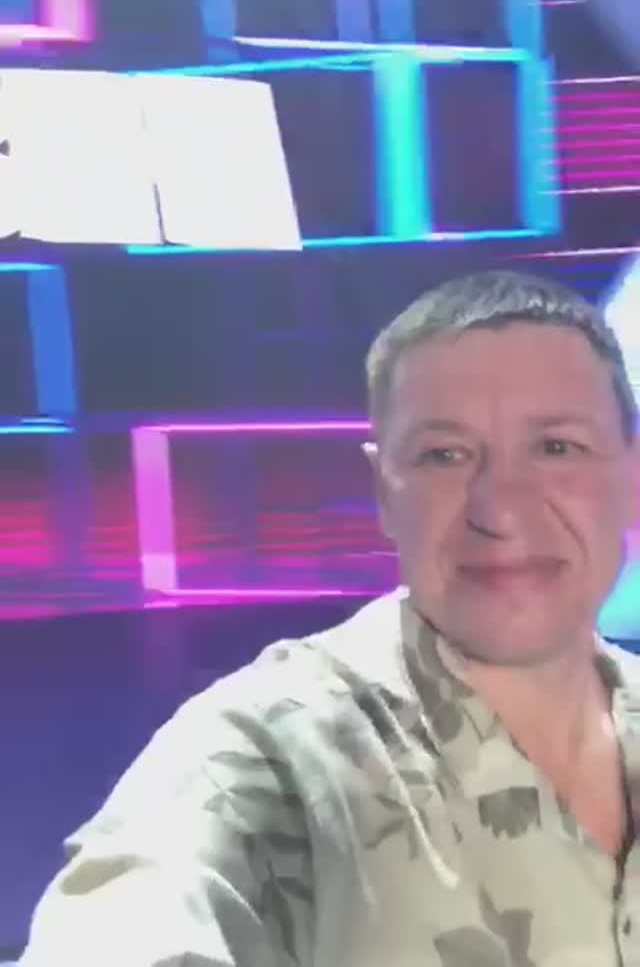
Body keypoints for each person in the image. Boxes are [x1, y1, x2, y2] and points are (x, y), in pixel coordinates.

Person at [20, 268, 640, 967]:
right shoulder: (272, 751)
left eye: (557, 448)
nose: (501, 510)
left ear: (631, 472)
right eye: (444, 456)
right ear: (383, 491)